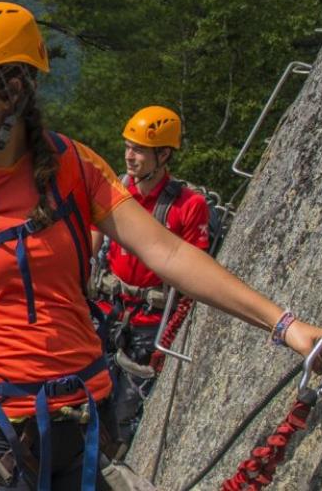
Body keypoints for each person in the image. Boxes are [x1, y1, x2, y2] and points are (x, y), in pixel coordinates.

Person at [0, 2, 322, 491]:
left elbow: (169, 253)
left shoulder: (75, 167)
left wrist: (285, 326)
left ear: (10, 90)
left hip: (82, 416)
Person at [92, 106, 209, 453]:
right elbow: (92, 237)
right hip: (107, 311)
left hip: (149, 325)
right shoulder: (116, 189)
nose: (130, 155)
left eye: (140, 149)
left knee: (125, 410)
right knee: (89, 403)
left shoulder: (189, 205)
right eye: (128, 146)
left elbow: (194, 270)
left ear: (164, 154)